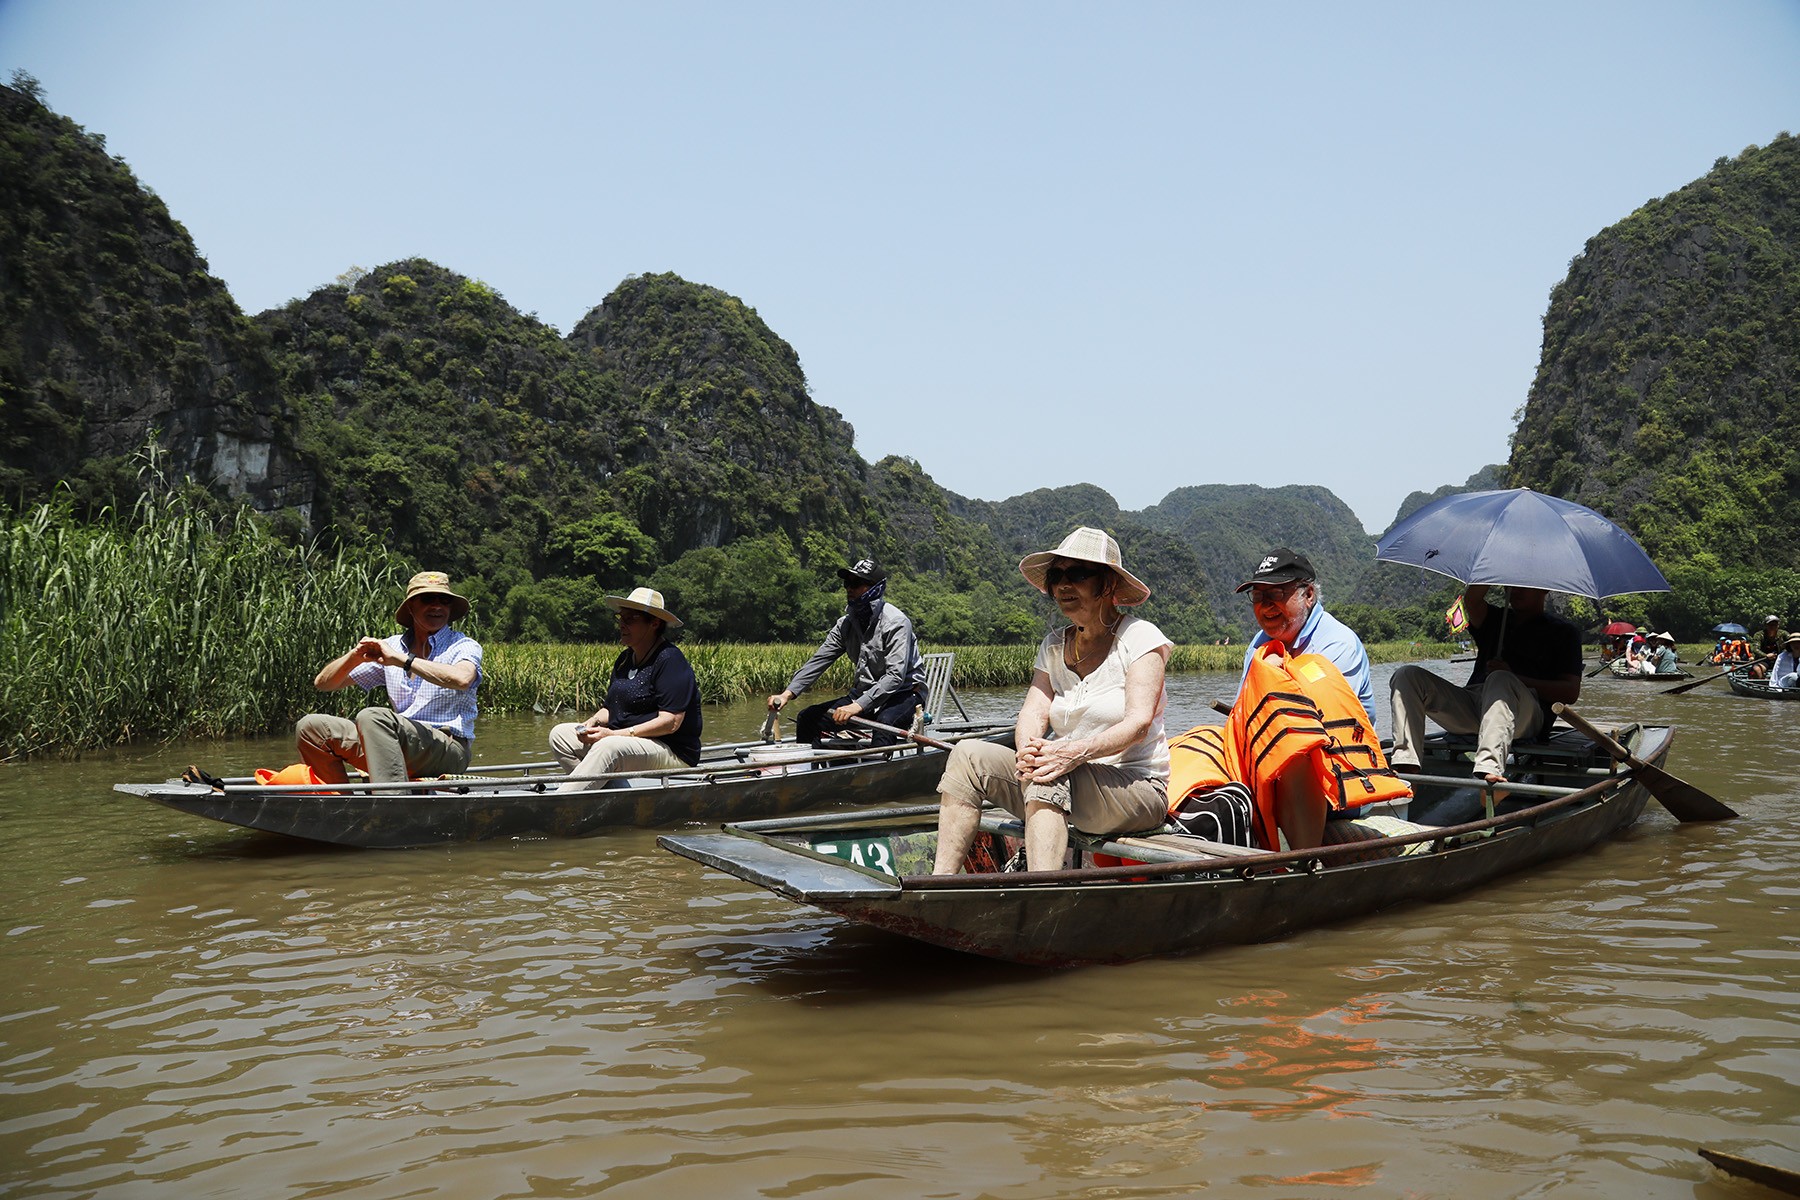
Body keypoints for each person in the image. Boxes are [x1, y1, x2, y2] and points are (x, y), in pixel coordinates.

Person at [932, 527, 1172, 873]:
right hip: (1065, 781)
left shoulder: (1141, 638)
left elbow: (1138, 724)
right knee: (967, 755)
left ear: (1107, 585)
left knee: (1048, 773)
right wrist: (1029, 750)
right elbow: (1033, 711)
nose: (1062, 585)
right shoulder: (1054, 645)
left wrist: (1071, 753)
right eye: (1056, 576)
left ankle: (1040, 889)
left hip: (1135, 789)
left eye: (1077, 574)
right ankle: (940, 884)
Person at [1387, 584, 1582, 791]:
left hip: (1526, 714)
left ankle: (1489, 773)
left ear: (1544, 589)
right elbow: (1472, 600)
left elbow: (1570, 692)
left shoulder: (1564, 632)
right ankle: (1407, 767)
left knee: (1500, 679)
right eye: (1509, 585)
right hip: (1475, 705)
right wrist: (1492, 570)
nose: (1514, 590)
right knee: (1407, 675)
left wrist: (1515, 677)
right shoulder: (1496, 619)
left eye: (1523, 586)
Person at [297, 570, 483, 784]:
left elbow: (462, 679)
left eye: (444, 600)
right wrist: (354, 656)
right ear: (411, 606)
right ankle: (340, 800)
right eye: (428, 599)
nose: (437, 606)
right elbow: (324, 684)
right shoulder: (392, 647)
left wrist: (402, 660)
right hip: (394, 743)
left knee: (372, 717)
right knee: (311, 727)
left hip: (448, 749)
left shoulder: (463, 645)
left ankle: (393, 799)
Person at [548, 587, 702, 791]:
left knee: (608, 746)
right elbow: (612, 708)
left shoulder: (670, 660)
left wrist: (614, 735)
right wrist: (592, 722)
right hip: (628, 742)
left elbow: (670, 722)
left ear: (654, 623)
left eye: (630, 619)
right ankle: (609, 795)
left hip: (671, 750)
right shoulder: (625, 659)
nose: (622, 624)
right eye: (621, 618)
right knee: (560, 735)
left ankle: (562, 803)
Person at [767, 557, 926, 747]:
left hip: (904, 694)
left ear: (875, 588)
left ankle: (878, 765)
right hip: (865, 693)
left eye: (856, 583)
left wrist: (856, 706)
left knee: (883, 724)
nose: (849, 589)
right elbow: (819, 660)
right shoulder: (846, 624)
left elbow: (895, 677)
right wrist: (787, 694)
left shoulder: (896, 623)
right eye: (847, 584)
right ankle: (813, 764)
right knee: (807, 718)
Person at [1235, 548, 1375, 724]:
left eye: (1276, 594)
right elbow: (1240, 710)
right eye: (1257, 596)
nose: (1265, 605)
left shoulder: (1337, 644)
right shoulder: (1259, 643)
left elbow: (1316, 722)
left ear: (1308, 595)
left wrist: (1265, 673)